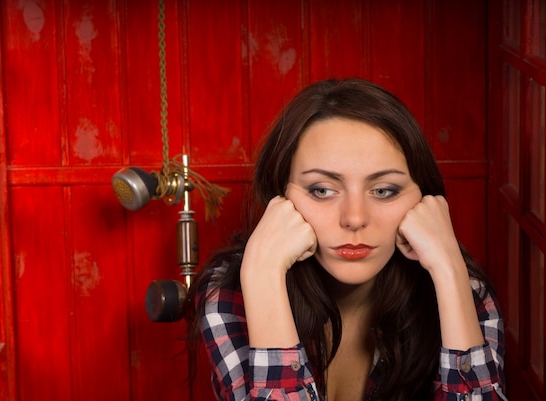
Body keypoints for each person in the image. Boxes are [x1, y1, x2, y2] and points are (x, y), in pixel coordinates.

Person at [187, 78, 506, 401]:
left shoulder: (465, 291)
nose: (354, 218)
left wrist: (450, 271)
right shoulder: (233, 291)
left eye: (383, 190)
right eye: (322, 190)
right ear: (279, 198)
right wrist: (263, 275)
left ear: (423, 202)